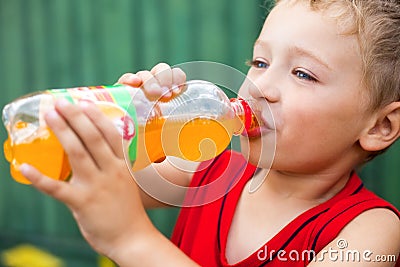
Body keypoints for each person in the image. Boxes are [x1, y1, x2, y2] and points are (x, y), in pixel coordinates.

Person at [18, 0, 400, 266]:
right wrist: (128, 123)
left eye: (303, 74)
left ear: (380, 126)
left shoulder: (371, 231)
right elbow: (109, 181)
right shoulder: (206, 165)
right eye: (260, 61)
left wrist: (132, 241)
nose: (260, 86)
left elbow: (124, 229)